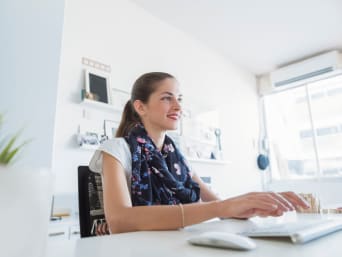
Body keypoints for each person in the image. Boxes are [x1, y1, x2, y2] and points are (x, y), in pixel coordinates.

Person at [89, 72, 309, 234]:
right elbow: (119, 220)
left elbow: (219, 206)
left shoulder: (178, 158)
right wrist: (220, 207)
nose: (178, 106)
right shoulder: (116, 149)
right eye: (167, 98)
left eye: (179, 99)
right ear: (141, 107)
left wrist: (255, 204)